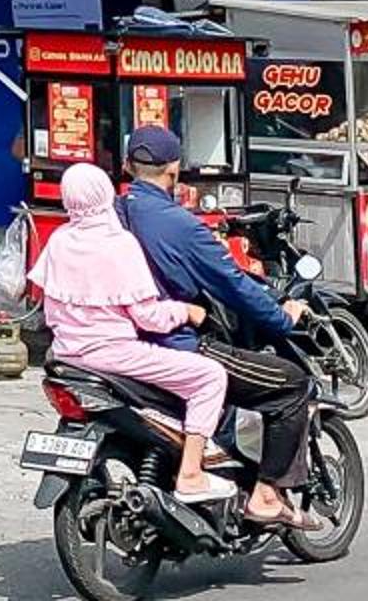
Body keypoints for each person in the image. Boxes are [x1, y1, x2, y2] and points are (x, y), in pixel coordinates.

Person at [112, 126, 329, 533]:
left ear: (127, 166)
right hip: (177, 343)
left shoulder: (111, 216)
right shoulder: (181, 225)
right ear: (174, 170)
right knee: (292, 385)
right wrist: (282, 318)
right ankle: (266, 496)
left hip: (116, 345)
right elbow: (234, 285)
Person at [34, 164, 229, 501]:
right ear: (105, 194)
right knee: (210, 377)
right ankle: (191, 474)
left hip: (66, 355)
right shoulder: (119, 244)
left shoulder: (59, 241)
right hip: (115, 355)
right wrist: (186, 311)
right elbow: (149, 317)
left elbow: (46, 304)